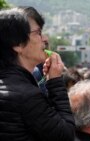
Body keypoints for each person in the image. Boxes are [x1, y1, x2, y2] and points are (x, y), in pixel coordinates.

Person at [0, 7, 75, 141]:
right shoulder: (26, 95)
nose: (45, 39)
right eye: (38, 33)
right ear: (17, 44)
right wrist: (56, 81)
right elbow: (66, 135)